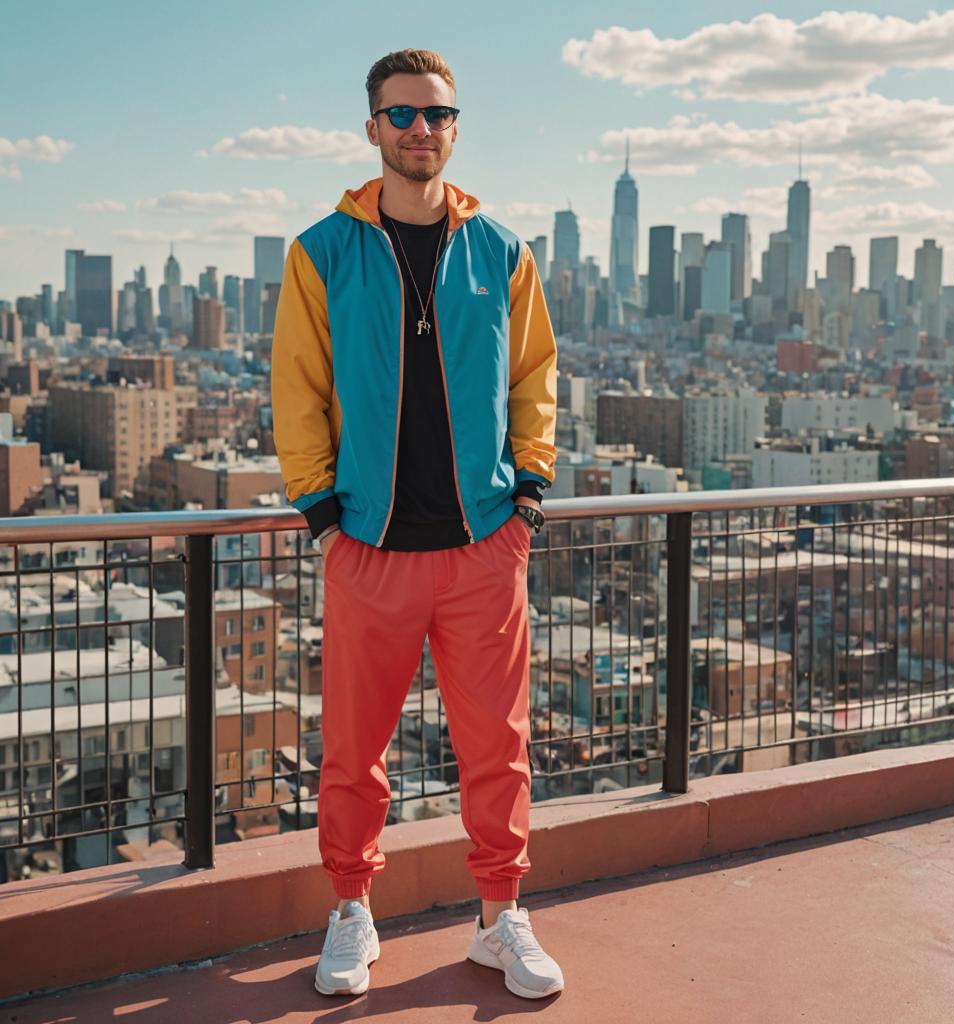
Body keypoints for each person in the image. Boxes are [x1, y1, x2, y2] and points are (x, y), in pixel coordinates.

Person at [271, 48, 562, 1001]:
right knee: (354, 752)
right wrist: (323, 517)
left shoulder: (504, 254)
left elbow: (534, 381)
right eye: (401, 116)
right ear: (372, 129)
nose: (419, 131)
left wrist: (525, 501)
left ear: (454, 127)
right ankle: (352, 909)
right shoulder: (321, 252)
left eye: (436, 115)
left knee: (499, 748)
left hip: (483, 548)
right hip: (369, 548)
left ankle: (499, 919)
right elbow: (299, 388)